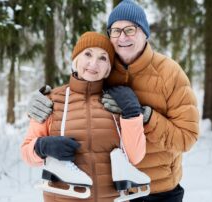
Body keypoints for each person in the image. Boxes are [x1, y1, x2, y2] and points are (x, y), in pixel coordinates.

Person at [27, 0, 200, 201]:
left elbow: (186, 138)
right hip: (115, 192)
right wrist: (39, 102)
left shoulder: (170, 74)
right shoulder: (103, 68)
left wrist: (145, 116)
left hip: (159, 189)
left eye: (130, 29)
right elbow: (76, 91)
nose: (122, 37)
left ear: (145, 33)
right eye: (115, 31)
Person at [21, 32, 148, 202]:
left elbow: (135, 157)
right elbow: (27, 153)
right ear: (76, 60)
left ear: (108, 68)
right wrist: (42, 146)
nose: (93, 63)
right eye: (87, 54)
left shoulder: (116, 102)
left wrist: (132, 113)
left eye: (103, 58)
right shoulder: (51, 100)